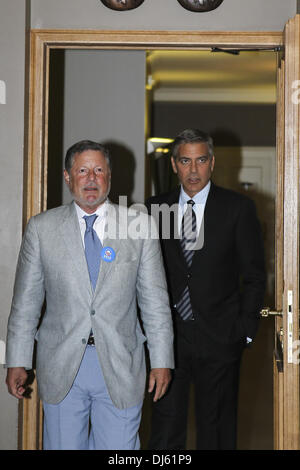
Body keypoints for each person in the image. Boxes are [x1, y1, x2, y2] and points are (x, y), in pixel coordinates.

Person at [5, 139, 174, 450]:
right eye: (82, 170)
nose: (92, 179)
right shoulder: (42, 229)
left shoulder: (140, 226)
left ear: (109, 175)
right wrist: (17, 358)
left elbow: (155, 303)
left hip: (122, 364)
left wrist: (162, 359)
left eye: (99, 170)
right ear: (68, 177)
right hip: (62, 365)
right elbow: (25, 304)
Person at [146, 129, 265, 450]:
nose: (194, 170)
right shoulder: (154, 209)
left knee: (217, 429)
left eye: (201, 160)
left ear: (212, 163)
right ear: (174, 165)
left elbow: (254, 275)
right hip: (168, 339)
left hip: (221, 336)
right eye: (185, 161)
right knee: (166, 426)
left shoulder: (237, 209)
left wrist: (245, 330)